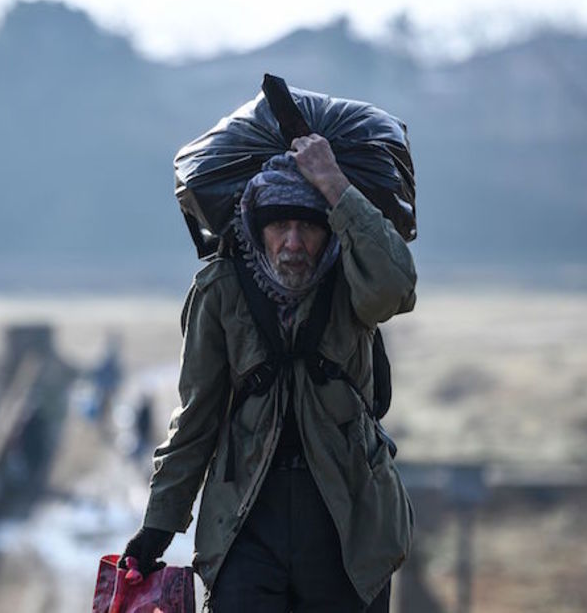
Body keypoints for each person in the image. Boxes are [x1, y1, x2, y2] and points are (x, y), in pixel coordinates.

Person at [120, 134, 416, 612]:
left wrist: (335, 185)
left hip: (349, 522)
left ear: (331, 231)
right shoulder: (219, 293)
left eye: (309, 226)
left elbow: (397, 288)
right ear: (257, 229)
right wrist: (158, 526)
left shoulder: (354, 284)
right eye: (280, 225)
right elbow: (196, 417)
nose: (294, 243)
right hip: (246, 520)